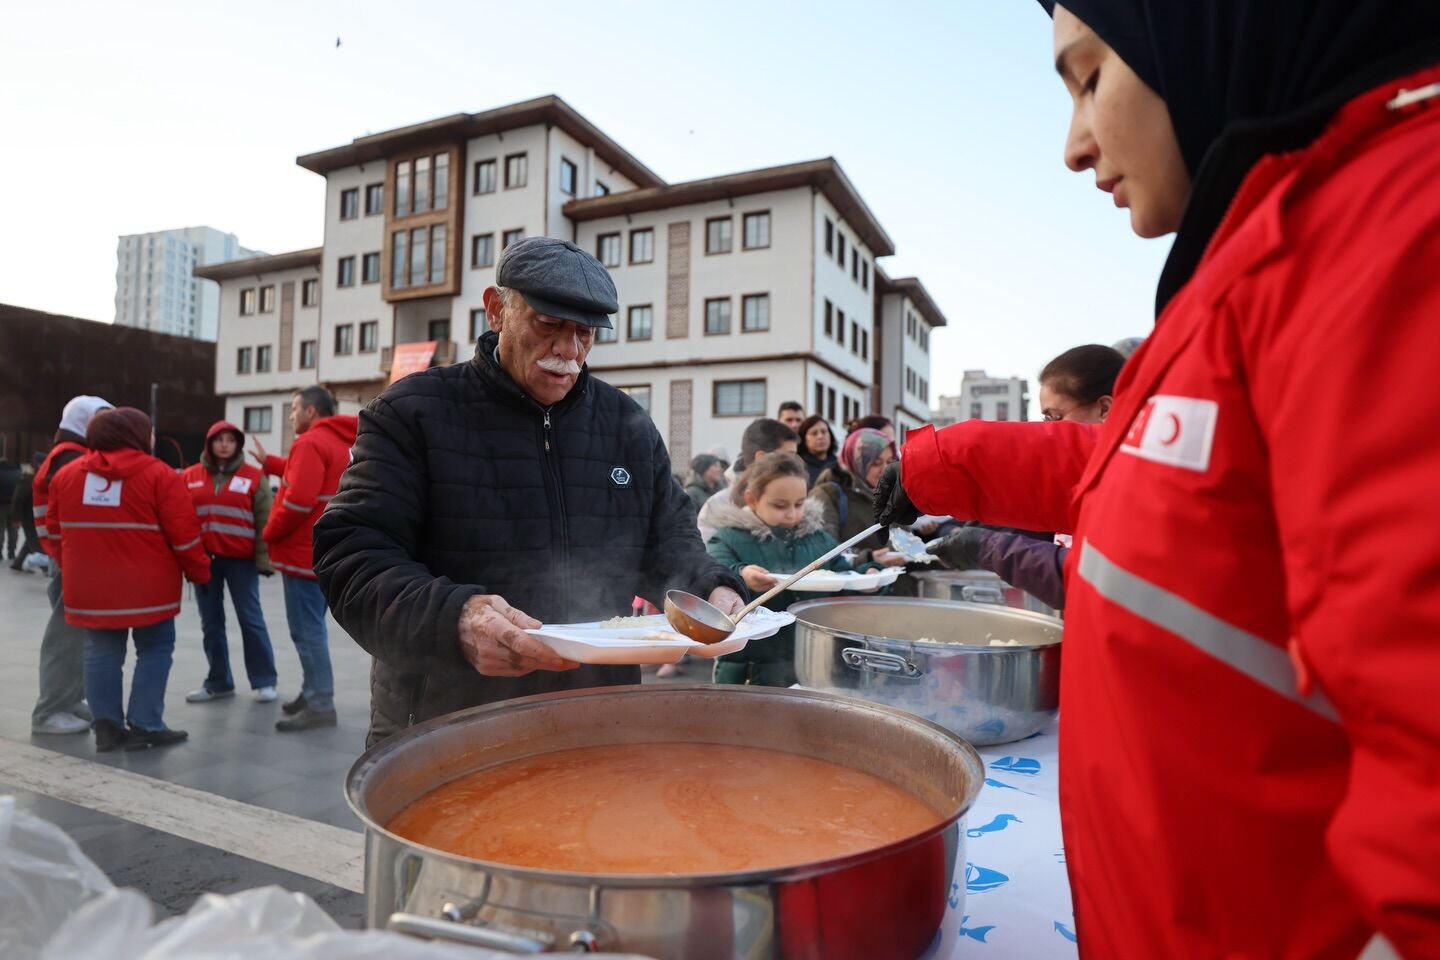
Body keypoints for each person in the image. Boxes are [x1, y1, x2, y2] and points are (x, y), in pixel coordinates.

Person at [876, 2, 1440, 955]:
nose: (1074, 145)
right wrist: (934, 464)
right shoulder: (1270, 248)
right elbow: (1157, 470)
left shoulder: (1394, 237)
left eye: (1091, 77)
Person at [313, 237, 744, 747]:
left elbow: (669, 541)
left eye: (585, 332)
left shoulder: (625, 423)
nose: (569, 351)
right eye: (549, 325)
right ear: (497, 309)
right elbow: (353, 555)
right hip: (445, 714)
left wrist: (711, 589)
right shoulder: (412, 412)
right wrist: (455, 619)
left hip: (595, 711)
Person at [47, 408, 210, 751]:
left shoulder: (67, 476)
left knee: (100, 652)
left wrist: (72, 567)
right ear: (136, 434)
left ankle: (106, 727)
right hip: (150, 589)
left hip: (90, 588)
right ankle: (146, 724)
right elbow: (184, 535)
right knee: (155, 649)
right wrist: (199, 572)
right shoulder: (161, 475)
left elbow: (55, 532)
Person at [927, 343, 1124, 610]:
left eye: (1055, 417)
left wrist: (988, 547)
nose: (1047, 431)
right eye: (1045, 419)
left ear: (1104, 409)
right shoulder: (1080, 479)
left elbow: (1086, 579)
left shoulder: (1123, 483)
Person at [705, 453, 878, 687]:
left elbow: (843, 576)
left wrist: (869, 576)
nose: (791, 514)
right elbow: (714, 572)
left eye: (799, 504)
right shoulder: (728, 538)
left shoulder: (819, 539)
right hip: (749, 668)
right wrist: (742, 575)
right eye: (780, 505)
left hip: (809, 663)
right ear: (752, 499)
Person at [262, 387, 357, 732]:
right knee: (312, 628)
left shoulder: (309, 442)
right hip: (330, 552)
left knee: (306, 632)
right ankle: (312, 690)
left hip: (303, 552)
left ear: (311, 411)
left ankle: (320, 702)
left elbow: (298, 500)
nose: (291, 416)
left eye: (294, 409)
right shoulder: (344, 442)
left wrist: (269, 532)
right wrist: (270, 463)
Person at [181, 420, 279, 705]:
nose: (224, 445)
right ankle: (218, 682)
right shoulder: (189, 476)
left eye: (230, 440)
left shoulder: (253, 476)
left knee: (251, 619)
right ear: (209, 443)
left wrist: (264, 561)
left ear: (238, 445)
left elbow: (265, 520)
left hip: (241, 563)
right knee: (211, 623)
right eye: (219, 439)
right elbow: (181, 519)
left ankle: (265, 680)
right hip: (204, 561)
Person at [31, 395, 112, 735]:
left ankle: (68, 699)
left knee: (76, 635)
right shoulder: (72, 457)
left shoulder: (70, 453)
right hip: (71, 558)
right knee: (66, 636)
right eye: (101, 420)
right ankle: (50, 710)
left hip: (67, 556)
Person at [811, 428, 904, 568]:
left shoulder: (893, 494)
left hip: (893, 579)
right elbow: (824, 549)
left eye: (890, 462)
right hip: (851, 580)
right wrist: (867, 558)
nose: (885, 470)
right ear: (855, 462)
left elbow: (904, 537)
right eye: (876, 463)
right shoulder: (827, 495)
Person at [696, 418, 798, 541]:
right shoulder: (716, 508)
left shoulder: (799, 504)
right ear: (762, 458)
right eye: (788, 457)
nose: (795, 464)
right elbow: (707, 551)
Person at [9, 458, 40, 571]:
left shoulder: (35, 478)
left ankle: (18, 562)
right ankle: (44, 565)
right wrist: (16, 518)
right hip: (29, 516)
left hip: (33, 515)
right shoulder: (28, 480)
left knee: (31, 540)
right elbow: (18, 499)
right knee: (34, 541)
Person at [794, 414, 838, 488]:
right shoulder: (798, 468)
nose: (820, 437)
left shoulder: (840, 465)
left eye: (824, 432)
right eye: (814, 433)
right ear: (804, 439)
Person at [0, 457, 18, 562]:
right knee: (13, 530)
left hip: (1, 506)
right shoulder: (18, 473)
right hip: (14, 506)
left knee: (0, 529)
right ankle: (11, 552)